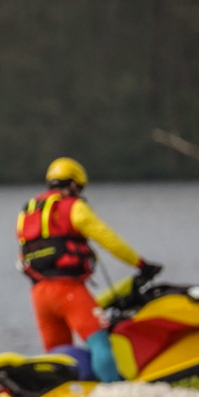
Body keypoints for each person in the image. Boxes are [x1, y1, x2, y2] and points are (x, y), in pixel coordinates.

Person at [16, 157, 161, 382]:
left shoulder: (27, 213)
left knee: (59, 355)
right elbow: (108, 239)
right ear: (73, 184)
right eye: (79, 188)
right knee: (99, 342)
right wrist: (141, 264)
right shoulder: (74, 208)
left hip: (39, 295)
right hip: (68, 291)